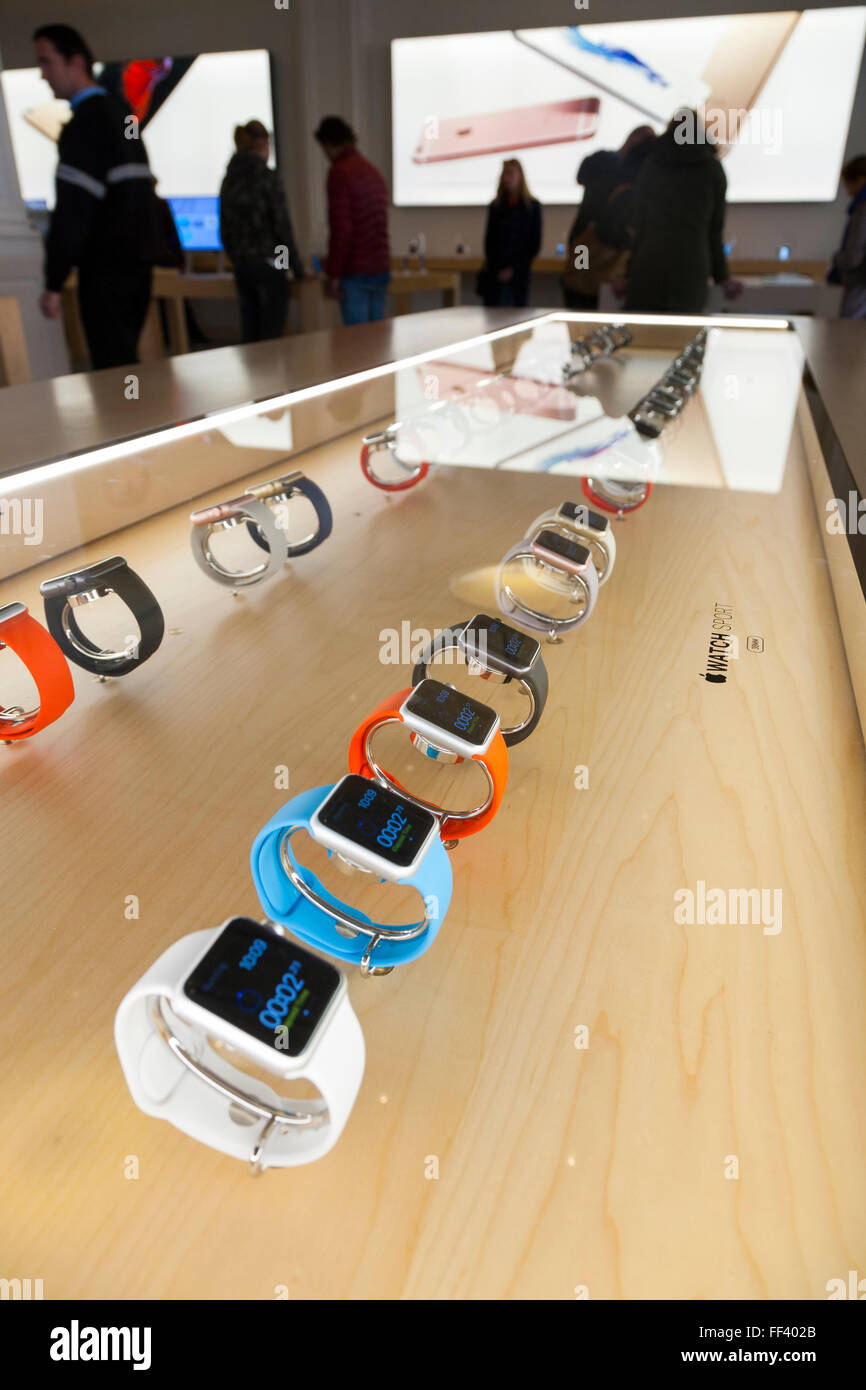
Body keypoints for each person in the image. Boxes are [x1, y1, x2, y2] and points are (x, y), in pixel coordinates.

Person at [33, 23, 159, 369]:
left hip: (106, 271)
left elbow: (73, 210)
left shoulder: (85, 125)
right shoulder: (121, 118)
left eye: (47, 62)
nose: (43, 75)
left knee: (113, 372)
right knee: (124, 369)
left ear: (75, 61)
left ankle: (130, 422)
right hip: (137, 267)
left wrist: (54, 282)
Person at [624, 110, 742, 314]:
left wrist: (628, 273)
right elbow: (714, 230)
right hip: (691, 267)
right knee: (686, 336)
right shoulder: (711, 169)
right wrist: (722, 277)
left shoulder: (652, 165)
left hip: (649, 264)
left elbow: (639, 225)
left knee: (643, 337)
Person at [219, 120, 305, 343]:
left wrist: (237, 258)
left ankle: (254, 378)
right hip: (269, 265)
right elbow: (281, 227)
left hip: (242, 266)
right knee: (271, 337)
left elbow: (225, 227)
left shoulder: (229, 180)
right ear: (264, 144)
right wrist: (295, 269)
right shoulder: (266, 177)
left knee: (251, 334)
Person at [562, 126, 655, 311]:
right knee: (591, 299)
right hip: (604, 251)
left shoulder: (599, 162)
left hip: (583, 241)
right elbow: (612, 229)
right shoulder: (628, 181)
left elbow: (581, 177)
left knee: (578, 288)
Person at [313, 116, 390, 326]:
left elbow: (342, 229)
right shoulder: (373, 172)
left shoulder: (339, 172)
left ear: (329, 143)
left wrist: (333, 274)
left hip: (355, 271)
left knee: (357, 347)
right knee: (377, 342)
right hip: (380, 266)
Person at [478, 160, 541, 308]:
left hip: (519, 275)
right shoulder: (496, 206)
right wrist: (498, 268)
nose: (507, 178)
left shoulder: (532, 207)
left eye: (511, 173)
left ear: (520, 176)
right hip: (495, 275)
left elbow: (534, 244)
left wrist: (513, 269)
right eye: (505, 173)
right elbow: (489, 242)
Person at [828, 154, 866, 319]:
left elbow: (854, 255)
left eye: (848, 185)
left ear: (859, 180)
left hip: (860, 281)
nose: (848, 192)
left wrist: (837, 259)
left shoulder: (862, 208)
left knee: (849, 330)